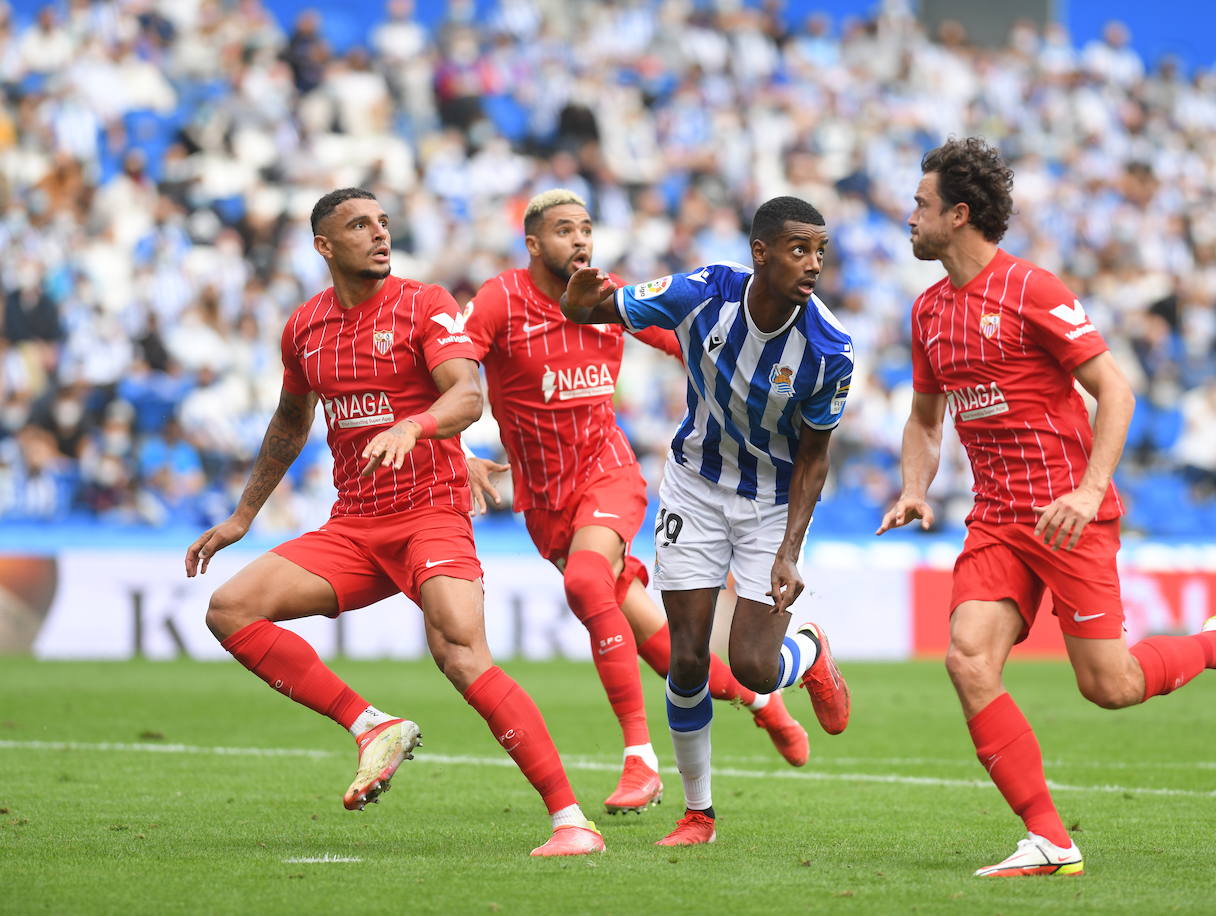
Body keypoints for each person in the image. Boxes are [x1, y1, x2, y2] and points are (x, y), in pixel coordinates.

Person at [877, 138, 1216, 877]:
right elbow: (924, 417)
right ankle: (1049, 838)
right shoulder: (927, 312)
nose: (908, 215)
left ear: (959, 214)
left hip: (1069, 512)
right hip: (997, 517)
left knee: (1112, 687)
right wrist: (914, 486)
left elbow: (1117, 390)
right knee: (968, 660)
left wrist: (1090, 489)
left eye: (921, 204)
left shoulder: (1034, 289)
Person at [185, 188, 603, 857]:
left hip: (430, 515)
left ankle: (572, 822)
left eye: (382, 222)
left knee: (461, 656)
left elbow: (468, 393)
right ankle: (370, 725)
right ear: (325, 246)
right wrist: (243, 514)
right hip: (353, 526)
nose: (379, 234)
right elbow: (290, 423)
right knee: (230, 609)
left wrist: (417, 424)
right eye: (359, 225)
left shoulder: (424, 304)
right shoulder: (304, 328)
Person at [462, 190, 811, 815]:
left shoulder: (610, 296)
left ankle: (640, 760)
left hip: (608, 472)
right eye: (564, 230)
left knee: (587, 581)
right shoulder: (498, 301)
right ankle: (762, 701)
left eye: (587, 228)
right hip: (544, 502)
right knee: (664, 640)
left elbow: (696, 342)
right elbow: (452, 369)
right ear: (534, 244)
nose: (580, 240)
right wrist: (456, 447)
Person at [562, 195, 854, 847]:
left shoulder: (829, 348)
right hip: (694, 487)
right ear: (761, 253)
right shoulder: (703, 291)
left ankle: (806, 654)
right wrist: (579, 300)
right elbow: (597, 309)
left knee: (751, 667)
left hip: (770, 504)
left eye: (820, 251)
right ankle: (699, 813)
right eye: (799, 249)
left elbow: (814, 458)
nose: (812, 264)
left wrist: (789, 552)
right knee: (687, 660)